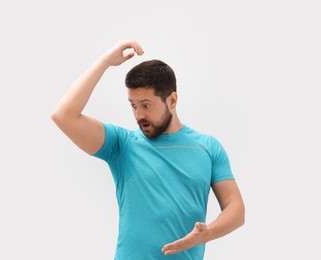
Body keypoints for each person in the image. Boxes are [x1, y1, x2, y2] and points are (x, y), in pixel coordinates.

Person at [51, 40, 245, 259]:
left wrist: (207, 234)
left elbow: (236, 209)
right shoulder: (122, 144)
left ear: (172, 100)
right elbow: (63, 115)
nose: (138, 115)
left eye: (146, 105)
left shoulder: (208, 148)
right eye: (133, 105)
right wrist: (104, 62)